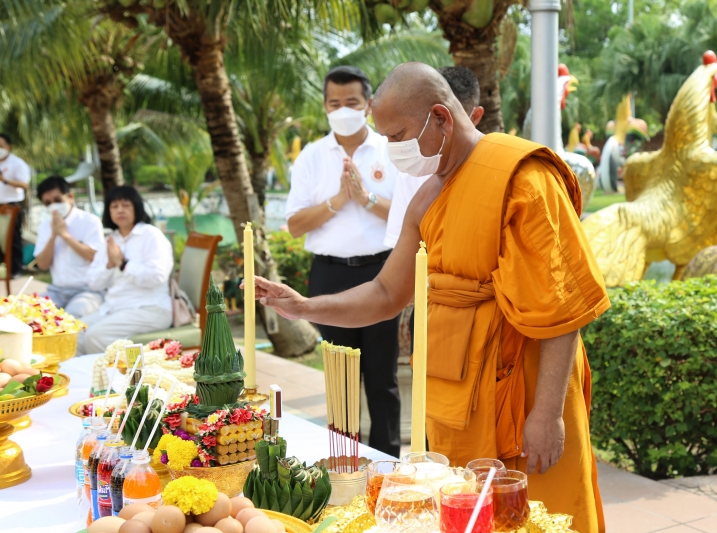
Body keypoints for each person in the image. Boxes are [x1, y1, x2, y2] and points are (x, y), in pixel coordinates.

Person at [251, 63, 610, 533]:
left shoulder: (522, 179)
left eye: (398, 135)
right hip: (456, 400)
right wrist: (303, 305)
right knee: (464, 514)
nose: (392, 149)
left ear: (441, 117)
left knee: (541, 517)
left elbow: (562, 309)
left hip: (524, 393)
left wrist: (546, 415)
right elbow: (385, 293)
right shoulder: (427, 196)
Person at [284, 65, 401, 458]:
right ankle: (345, 458)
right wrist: (337, 200)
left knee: (382, 376)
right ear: (325, 106)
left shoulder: (391, 149)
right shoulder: (312, 157)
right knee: (340, 376)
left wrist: (365, 197)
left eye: (351, 102)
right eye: (334, 103)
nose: (342, 109)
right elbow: (295, 225)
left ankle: (386, 458)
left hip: (382, 271)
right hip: (330, 273)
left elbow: (408, 215)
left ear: (368, 104)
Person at [383, 66, 484, 249]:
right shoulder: (413, 175)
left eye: (398, 135)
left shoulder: (505, 171)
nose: (393, 145)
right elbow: (400, 265)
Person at [77, 186, 174, 355]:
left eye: (126, 205)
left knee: (95, 337)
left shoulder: (151, 235)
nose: (120, 210)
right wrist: (109, 265)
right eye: (114, 206)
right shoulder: (111, 240)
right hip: (115, 308)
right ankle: (88, 378)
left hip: (150, 309)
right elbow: (93, 282)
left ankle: (121, 378)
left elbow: (157, 277)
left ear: (136, 207)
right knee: (74, 333)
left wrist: (123, 264)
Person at [34, 176, 105, 317]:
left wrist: (65, 235)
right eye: (48, 203)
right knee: (33, 314)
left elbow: (95, 257)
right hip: (56, 291)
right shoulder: (44, 226)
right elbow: (42, 264)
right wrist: (54, 235)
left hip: (88, 291)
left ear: (70, 197)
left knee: (72, 316)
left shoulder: (90, 221)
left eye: (57, 200)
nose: (53, 206)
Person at [0, 133, 31, 276]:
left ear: (9, 146)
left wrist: (5, 180)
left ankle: (16, 270)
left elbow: (24, 184)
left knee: (13, 239)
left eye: (1, 146)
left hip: (12, 206)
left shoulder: (18, 164)